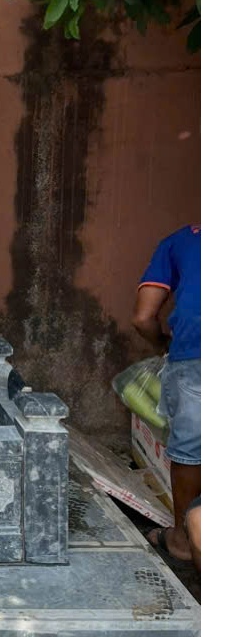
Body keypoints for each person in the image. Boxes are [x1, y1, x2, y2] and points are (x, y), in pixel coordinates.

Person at [132, 224, 200, 567]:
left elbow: (143, 317)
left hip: (196, 353)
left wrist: (164, 346)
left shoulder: (180, 241)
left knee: (190, 450)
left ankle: (183, 540)